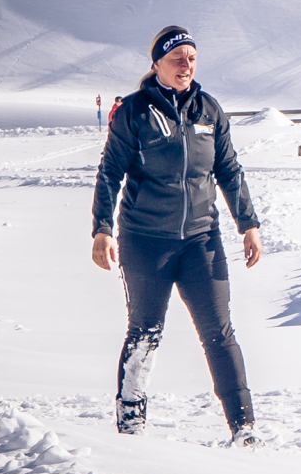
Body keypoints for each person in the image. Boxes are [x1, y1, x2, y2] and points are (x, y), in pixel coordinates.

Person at [91, 26, 263, 445]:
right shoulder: (134, 112)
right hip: (146, 240)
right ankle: (130, 426)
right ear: (156, 65)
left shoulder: (209, 110)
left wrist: (248, 224)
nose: (186, 66)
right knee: (145, 330)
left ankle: (244, 428)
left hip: (200, 240)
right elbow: (111, 172)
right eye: (177, 59)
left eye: (191, 58)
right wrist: (102, 229)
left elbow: (229, 170)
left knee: (219, 333)